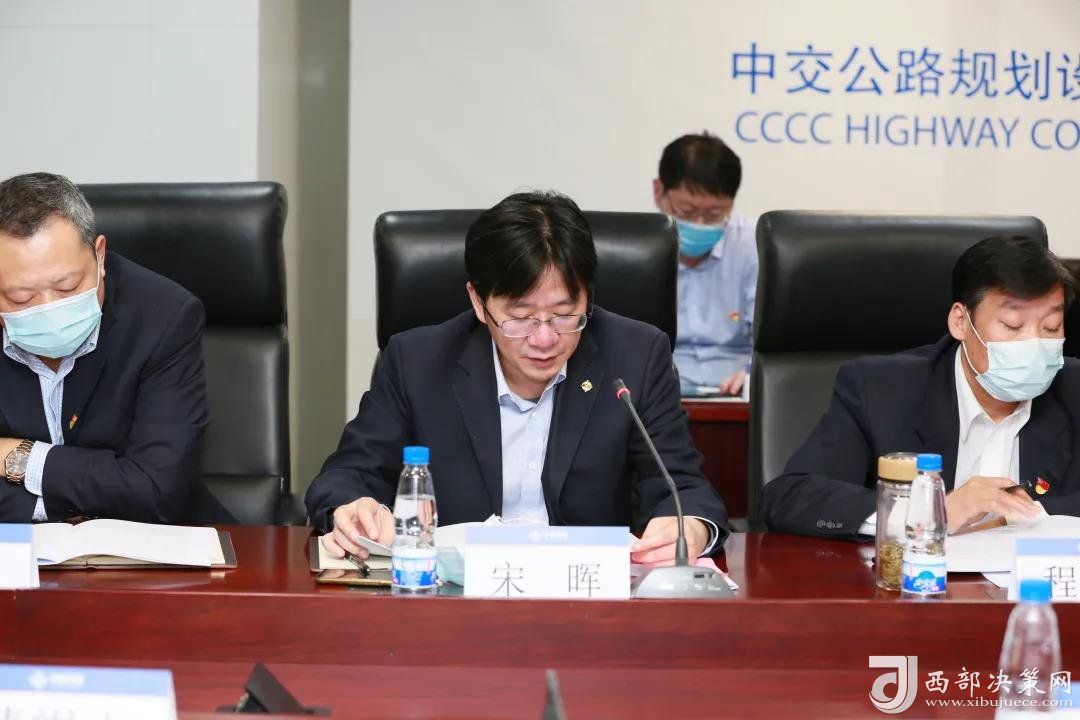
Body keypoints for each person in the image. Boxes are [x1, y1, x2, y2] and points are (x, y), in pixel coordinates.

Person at [307, 191, 728, 562]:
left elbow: (682, 487)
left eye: (564, 314)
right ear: (479, 302)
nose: (544, 339)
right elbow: (347, 475)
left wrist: (689, 526)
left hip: (589, 600)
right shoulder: (416, 361)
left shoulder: (636, 357)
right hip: (452, 600)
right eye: (521, 317)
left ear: (587, 295)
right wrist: (354, 507)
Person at [764, 236, 1078, 538]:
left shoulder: (1073, 390)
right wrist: (931, 512)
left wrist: (1020, 515)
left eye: (1051, 327)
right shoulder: (880, 389)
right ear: (960, 322)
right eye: (1012, 325)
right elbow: (790, 497)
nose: (1034, 343)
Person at [0, 172, 231, 524]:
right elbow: (131, 487)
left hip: (156, 543)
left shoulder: (163, 317)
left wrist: (21, 457)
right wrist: (83, 499)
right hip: (16, 546)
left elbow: (157, 489)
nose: (48, 308)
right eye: (21, 297)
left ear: (100, 256)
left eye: (68, 286)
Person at [653, 131, 758, 396]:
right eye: (686, 212)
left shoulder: (756, 247)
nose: (699, 224)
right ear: (658, 191)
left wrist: (754, 373)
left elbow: (772, 345)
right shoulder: (636, 250)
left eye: (714, 214)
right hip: (658, 391)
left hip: (737, 392)